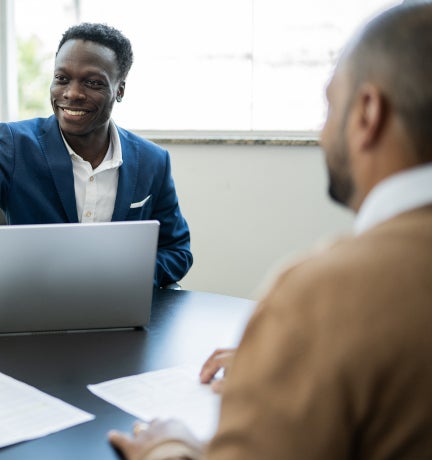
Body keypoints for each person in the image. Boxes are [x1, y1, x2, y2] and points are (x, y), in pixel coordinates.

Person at [108, 3, 432, 459]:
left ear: (367, 112)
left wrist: (172, 448)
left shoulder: (320, 296)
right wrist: (302, 365)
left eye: (329, 105)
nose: (322, 133)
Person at [0, 22, 192, 288]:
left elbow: (177, 250)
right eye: (62, 78)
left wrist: (123, 277)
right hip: (29, 303)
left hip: (116, 310)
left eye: (92, 82)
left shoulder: (152, 161)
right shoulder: (16, 143)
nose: (72, 93)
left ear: (120, 89)